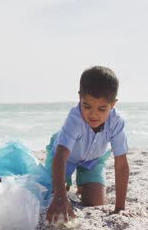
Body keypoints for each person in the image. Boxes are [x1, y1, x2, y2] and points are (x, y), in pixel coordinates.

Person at [45, 66, 130, 224]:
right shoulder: (75, 118)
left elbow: (121, 164)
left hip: (93, 160)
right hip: (64, 157)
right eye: (87, 106)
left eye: (102, 108)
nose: (94, 114)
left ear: (113, 104)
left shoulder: (117, 121)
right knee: (53, 195)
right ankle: (67, 185)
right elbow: (61, 156)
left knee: (96, 202)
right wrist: (60, 197)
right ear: (80, 98)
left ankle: (83, 184)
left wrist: (120, 208)